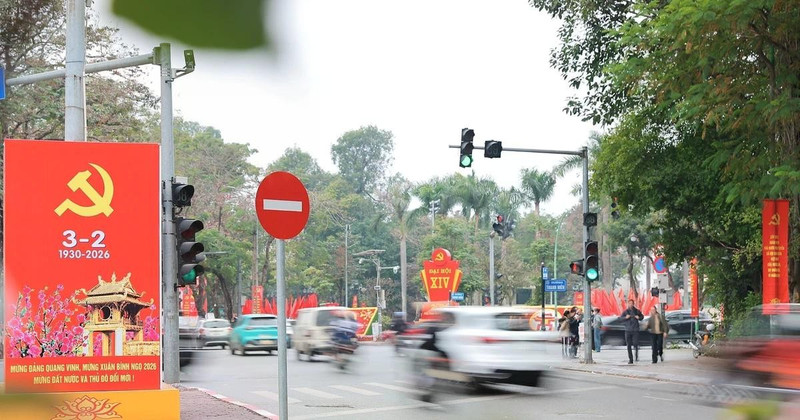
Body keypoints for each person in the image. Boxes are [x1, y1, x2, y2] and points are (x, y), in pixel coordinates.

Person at [619, 299, 644, 364]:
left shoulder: (637, 311)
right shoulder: (626, 312)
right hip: (628, 330)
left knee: (635, 343)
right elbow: (620, 319)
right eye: (629, 303)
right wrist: (625, 318)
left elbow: (642, 317)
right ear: (628, 304)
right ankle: (631, 359)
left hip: (635, 330)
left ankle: (636, 355)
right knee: (628, 345)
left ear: (633, 304)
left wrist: (639, 317)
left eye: (631, 303)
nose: (630, 304)